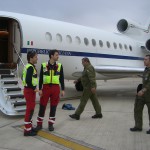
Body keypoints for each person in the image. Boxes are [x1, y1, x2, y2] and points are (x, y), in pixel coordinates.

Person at [35, 49, 65, 131]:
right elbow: (40, 78)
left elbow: (61, 78)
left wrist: (63, 89)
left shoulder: (59, 65)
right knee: (42, 106)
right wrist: (40, 89)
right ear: (52, 56)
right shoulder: (44, 65)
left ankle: (51, 124)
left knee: (53, 107)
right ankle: (39, 124)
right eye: (56, 55)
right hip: (46, 88)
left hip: (55, 88)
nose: (58, 56)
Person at [130, 55, 150, 134]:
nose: (144, 61)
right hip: (142, 94)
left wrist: (143, 90)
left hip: (148, 94)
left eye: (146, 59)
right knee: (137, 109)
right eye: (144, 59)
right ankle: (138, 126)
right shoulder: (146, 70)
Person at [22, 51, 38, 136]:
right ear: (31, 58)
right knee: (30, 110)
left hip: (29, 90)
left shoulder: (28, 66)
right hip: (30, 91)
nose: (37, 58)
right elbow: (28, 80)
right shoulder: (30, 67)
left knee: (31, 109)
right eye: (35, 57)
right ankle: (27, 131)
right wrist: (34, 88)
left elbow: (23, 77)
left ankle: (29, 127)